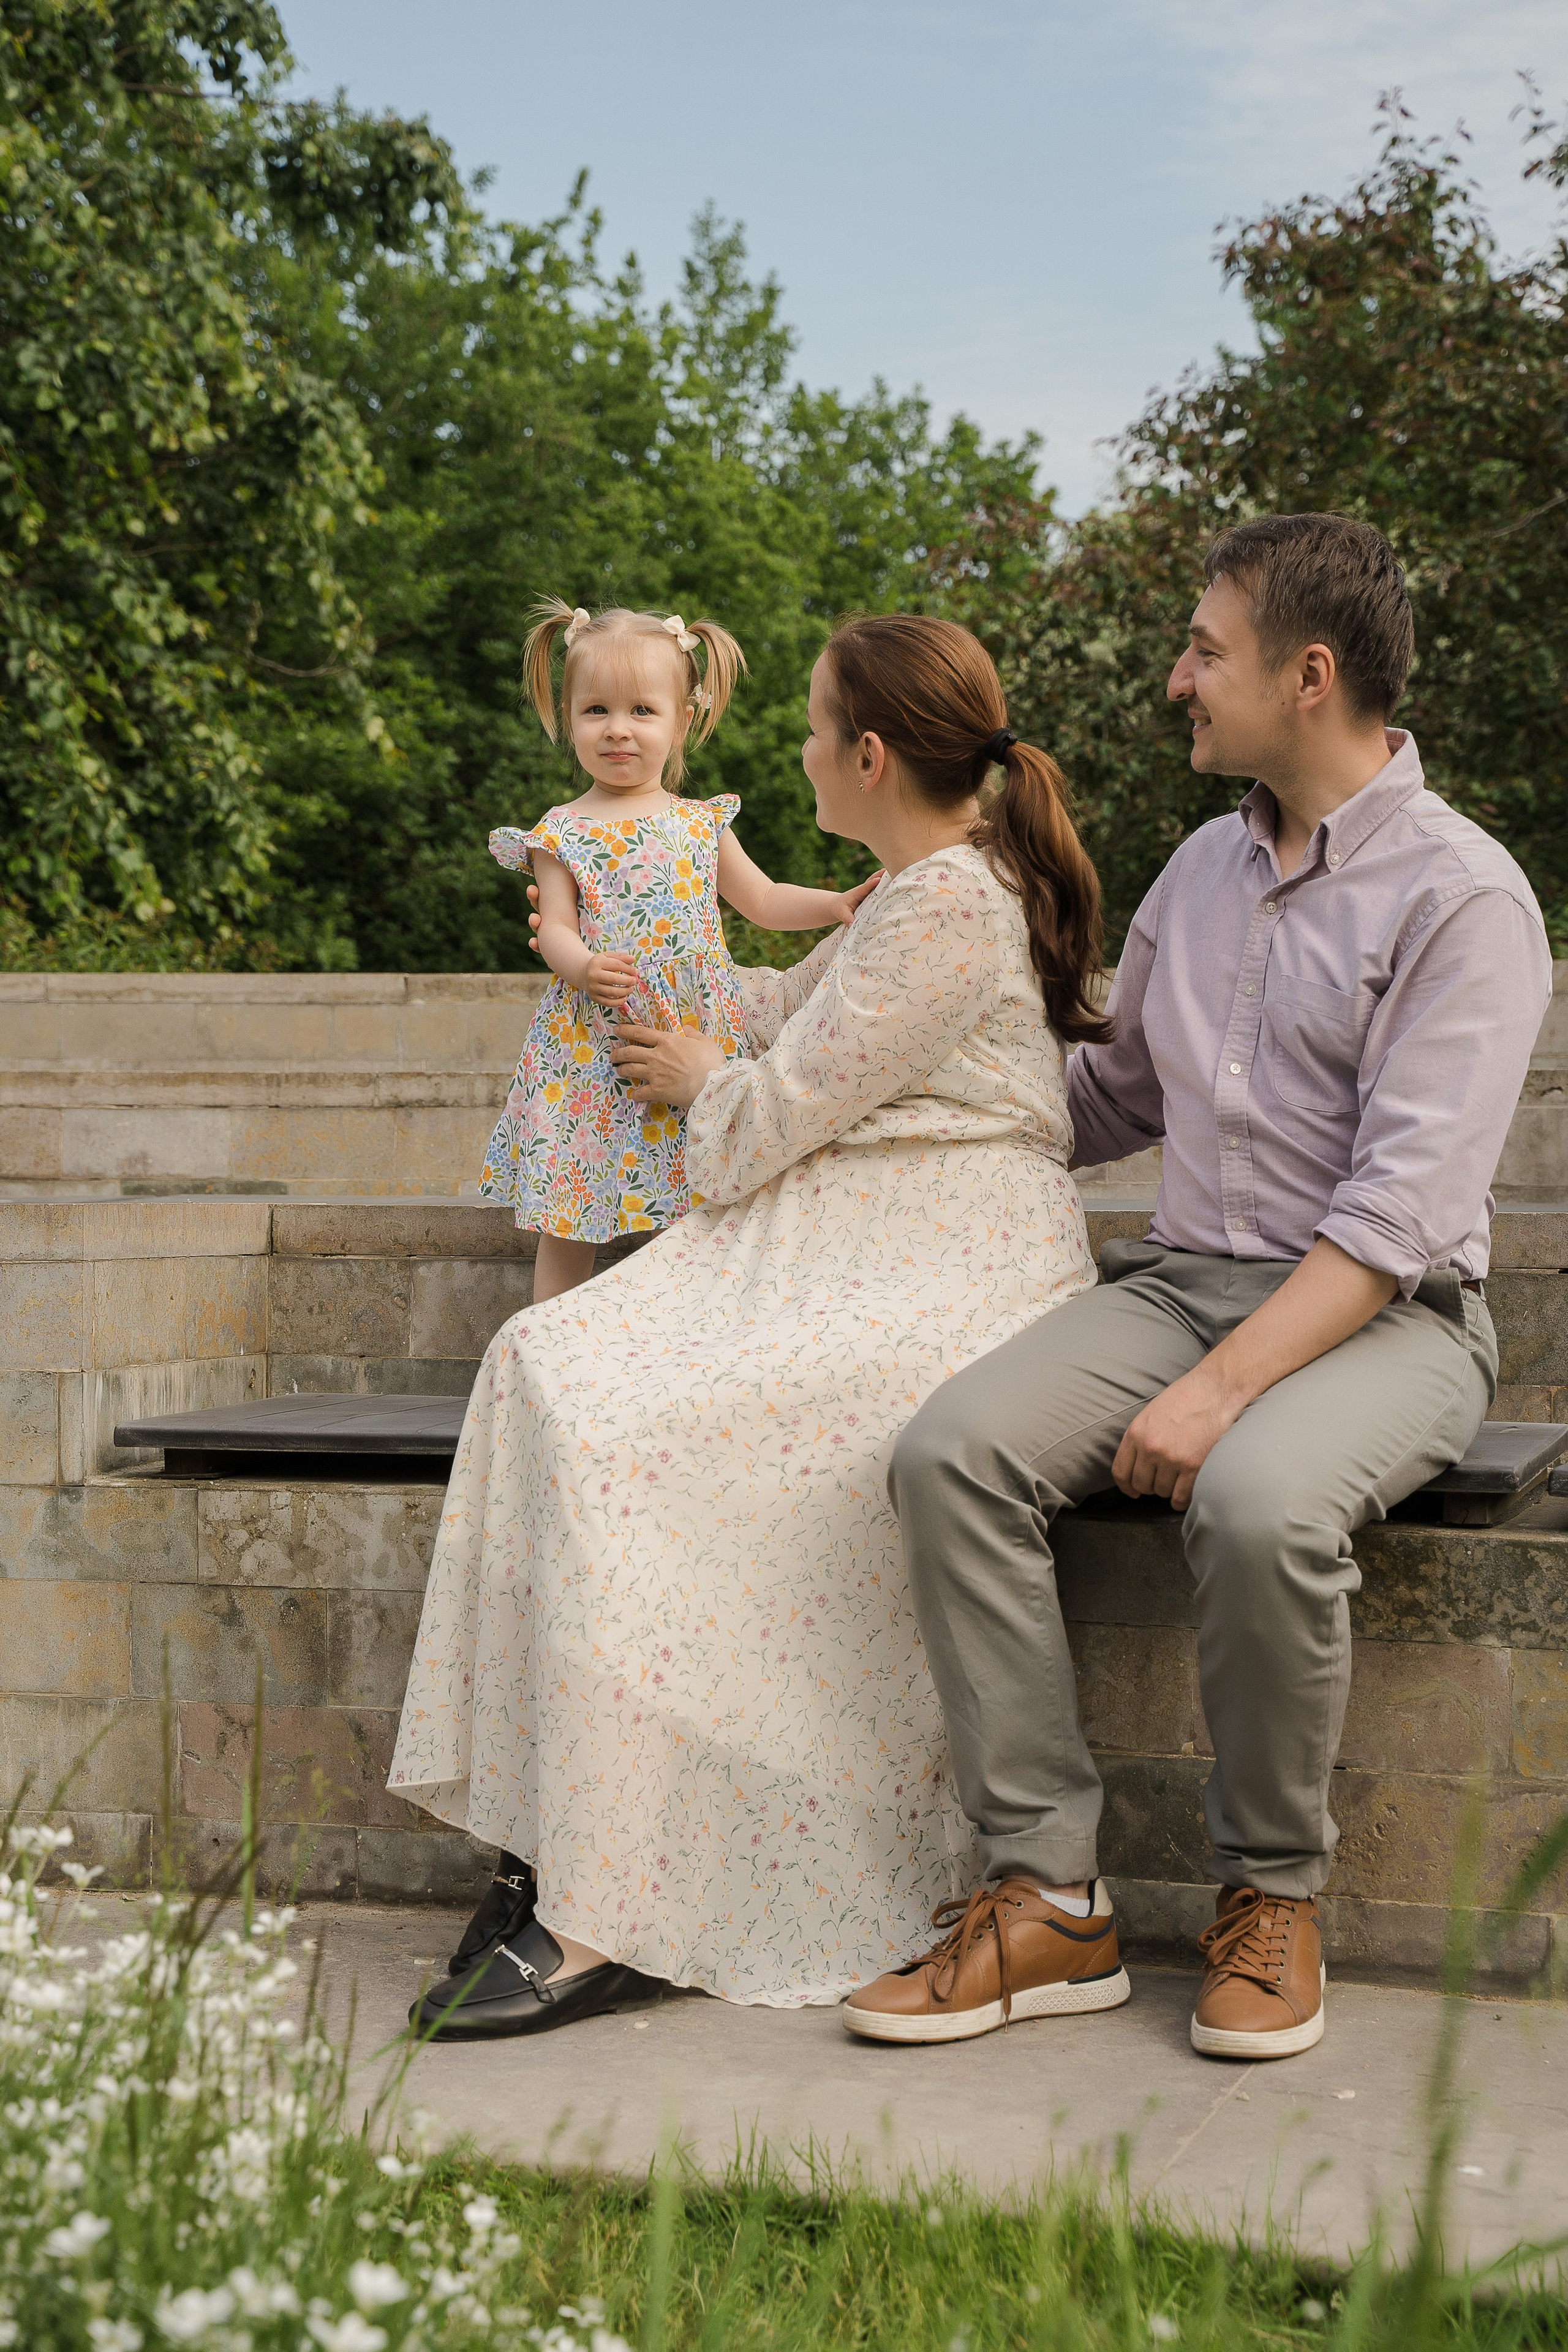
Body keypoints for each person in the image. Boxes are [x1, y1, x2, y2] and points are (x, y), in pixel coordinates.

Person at [845, 514, 1553, 2059]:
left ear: (1305, 676)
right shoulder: (1200, 867)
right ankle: (1047, 1897)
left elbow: (1390, 1222)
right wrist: (881, 1056)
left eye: (1202, 650)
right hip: (1176, 1284)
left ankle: (1268, 1895)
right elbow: (1102, 1098)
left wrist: (1222, 1391)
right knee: (946, 1452)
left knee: (1254, 1501)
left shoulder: (1462, 898)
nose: (1177, 677)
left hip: (1388, 1319)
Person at [390, 614, 1120, 2039]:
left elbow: (762, 1115)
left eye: (805, 731)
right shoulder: (912, 889)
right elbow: (782, 1008)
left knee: (625, 1416)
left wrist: (696, 1074)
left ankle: (611, 1909)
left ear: (864, 753)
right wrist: (663, 979)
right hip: (858, 1241)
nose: (790, 756)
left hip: (940, 1262)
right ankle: (569, 1841)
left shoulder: (954, 900)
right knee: (547, 1358)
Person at [480, 599, 869, 1302]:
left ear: (683, 719)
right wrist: (582, 966)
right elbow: (556, 929)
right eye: (595, 710)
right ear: (567, 718)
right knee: (574, 1213)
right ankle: (548, 1340)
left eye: (641, 711)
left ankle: (679, 1329)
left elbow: (763, 897)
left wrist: (834, 905)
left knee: (687, 1197)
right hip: (595, 1044)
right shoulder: (562, 831)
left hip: (692, 1036)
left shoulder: (699, 824)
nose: (618, 730)